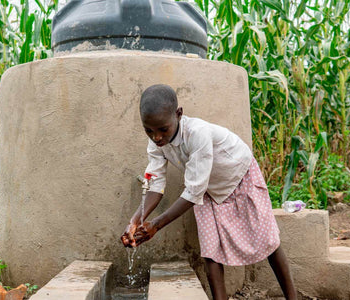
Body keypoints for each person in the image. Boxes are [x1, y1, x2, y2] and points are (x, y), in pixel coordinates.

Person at [120, 84, 297, 300]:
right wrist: (136, 221)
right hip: (205, 187)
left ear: (179, 114)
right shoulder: (156, 144)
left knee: (268, 240)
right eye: (149, 131)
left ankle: (292, 297)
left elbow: (194, 190)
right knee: (211, 250)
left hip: (238, 176)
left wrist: (156, 225)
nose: (156, 137)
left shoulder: (197, 133)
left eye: (162, 129)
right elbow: (156, 186)